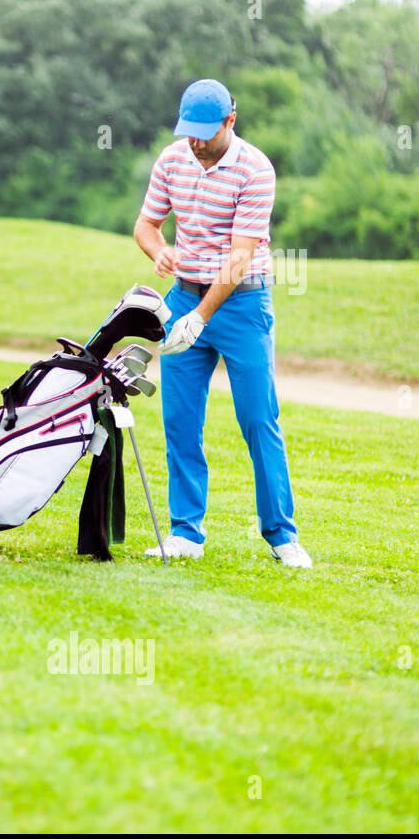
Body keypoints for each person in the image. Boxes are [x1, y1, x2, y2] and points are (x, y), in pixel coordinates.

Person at [133, 78, 312, 568]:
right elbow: (146, 225)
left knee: (258, 420)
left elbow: (238, 259)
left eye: (204, 134)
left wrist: (200, 317)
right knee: (180, 420)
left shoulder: (256, 169)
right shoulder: (172, 159)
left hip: (242, 306)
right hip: (184, 297)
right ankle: (186, 533)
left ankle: (281, 535)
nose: (195, 143)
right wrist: (160, 250)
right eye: (188, 131)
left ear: (230, 121)